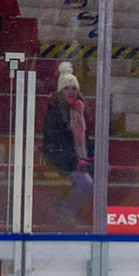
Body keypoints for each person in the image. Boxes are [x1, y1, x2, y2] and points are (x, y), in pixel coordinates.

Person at [40, 62, 94, 225]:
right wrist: (76, 161)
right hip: (59, 158)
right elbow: (57, 143)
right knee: (86, 182)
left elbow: (84, 140)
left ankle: (79, 210)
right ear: (60, 91)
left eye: (74, 88)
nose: (71, 91)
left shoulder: (79, 110)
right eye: (67, 88)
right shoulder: (54, 113)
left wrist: (92, 156)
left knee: (103, 170)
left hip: (76, 158)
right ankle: (64, 212)